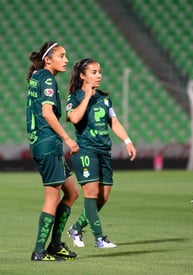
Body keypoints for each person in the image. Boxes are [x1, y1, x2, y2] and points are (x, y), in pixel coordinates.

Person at [66, 58, 136, 248]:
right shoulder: (75, 98)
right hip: (86, 151)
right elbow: (73, 118)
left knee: (103, 197)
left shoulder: (105, 99)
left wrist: (127, 141)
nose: (99, 76)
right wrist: (87, 96)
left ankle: (76, 228)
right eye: (94, 72)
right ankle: (99, 238)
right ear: (82, 76)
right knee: (91, 193)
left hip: (104, 151)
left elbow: (114, 122)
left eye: (99, 72)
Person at [26, 41, 80, 261]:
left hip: (44, 144)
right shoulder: (47, 78)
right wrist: (67, 138)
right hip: (48, 143)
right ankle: (39, 251)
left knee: (72, 192)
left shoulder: (38, 76)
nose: (66, 60)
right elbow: (47, 113)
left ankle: (55, 245)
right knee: (52, 195)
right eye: (61, 55)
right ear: (48, 59)